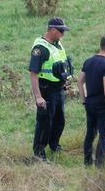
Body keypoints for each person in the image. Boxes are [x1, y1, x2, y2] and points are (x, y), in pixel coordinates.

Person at [28, 17, 72, 161]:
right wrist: (38, 97)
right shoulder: (40, 49)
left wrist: (65, 82)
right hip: (46, 90)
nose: (63, 34)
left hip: (58, 89)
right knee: (44, 123)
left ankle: (54, 145)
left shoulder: (57, 44)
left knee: (59, 121)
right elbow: (33, 73)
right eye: (61, 31)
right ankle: (39, 152)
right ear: (52, 30)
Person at [77, 37, 105, 167]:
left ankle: (87, 163)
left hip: (90, 103)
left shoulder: (88, 61)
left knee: (91, 134)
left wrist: (84, 100)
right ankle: (100, 165)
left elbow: (80, 81)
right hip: (102, 106)